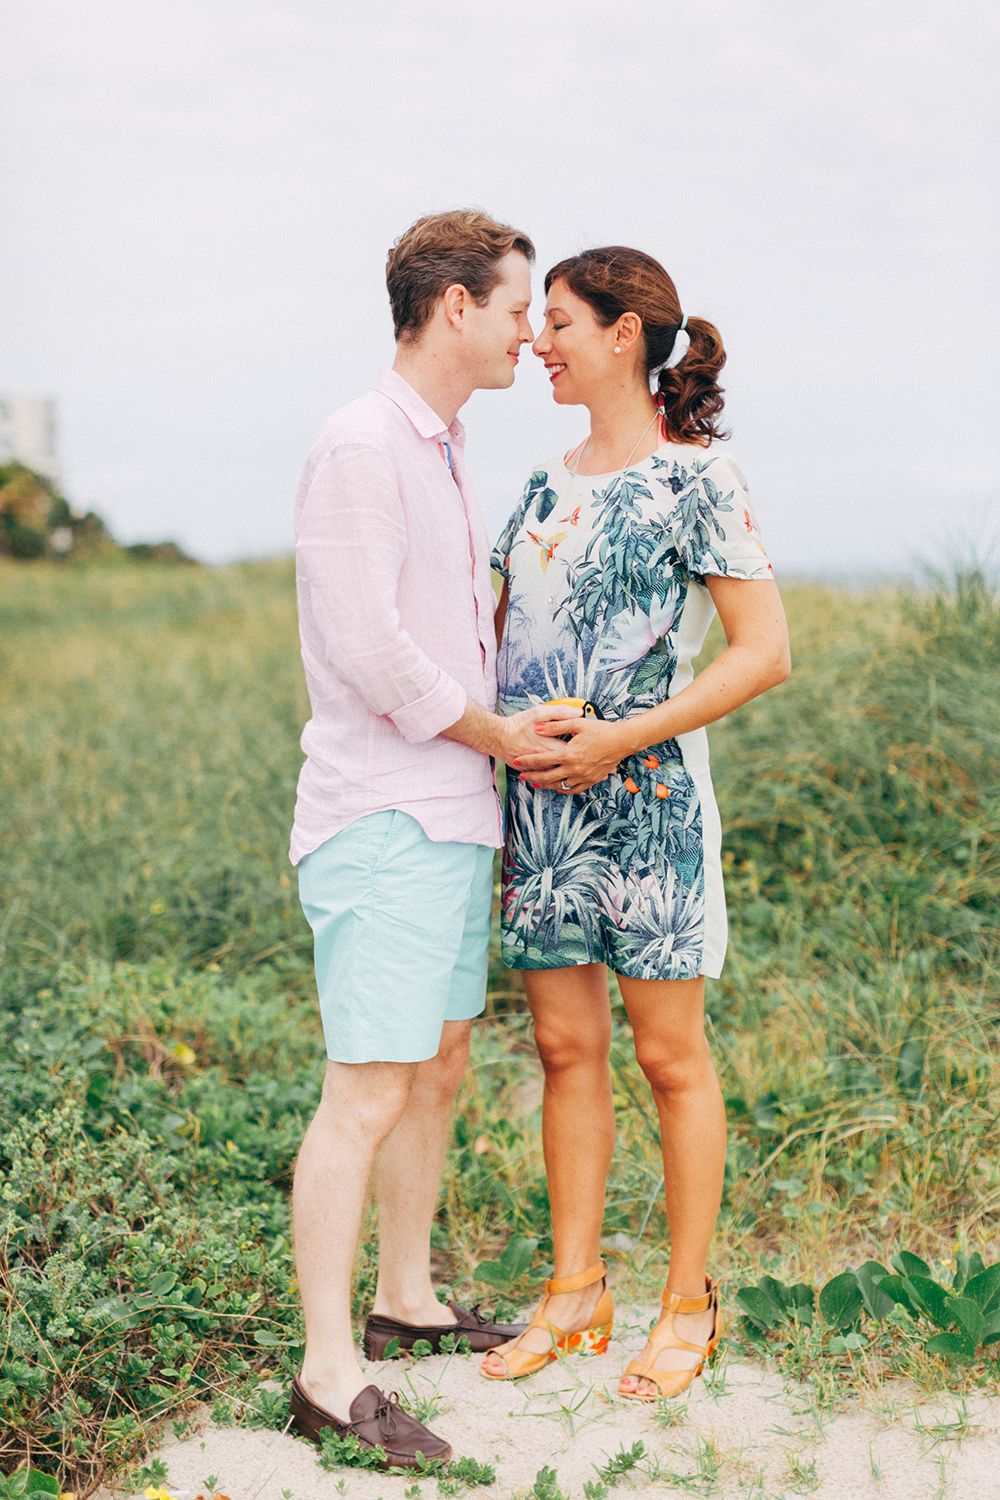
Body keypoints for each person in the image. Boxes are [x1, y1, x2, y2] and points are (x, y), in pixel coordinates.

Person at [287, 210, 581, 1468]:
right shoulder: (360, 445)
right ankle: (327, 1371)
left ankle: (404, 1298)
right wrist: (499, 735)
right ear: (454, 306)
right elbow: (366, 649)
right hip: (385, 814)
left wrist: (511, 733)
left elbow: (452, 632)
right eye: (518, 309)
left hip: (454, 810)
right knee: (365, 1087)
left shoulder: (449, 448)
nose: (529, 332)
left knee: (441, 1063)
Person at [480, 247, 791, 1400]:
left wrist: (621, 734)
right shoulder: (537, 487)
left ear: (624, 336)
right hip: (542, 811)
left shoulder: (697, 478)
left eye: (557, 323)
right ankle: (574, 1293)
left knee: (668, 1058)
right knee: (564, 1050)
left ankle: (688, 1302)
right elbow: (502, 640)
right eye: (538, 322)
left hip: (649, 805)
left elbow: (765, 655)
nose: (538, 344)